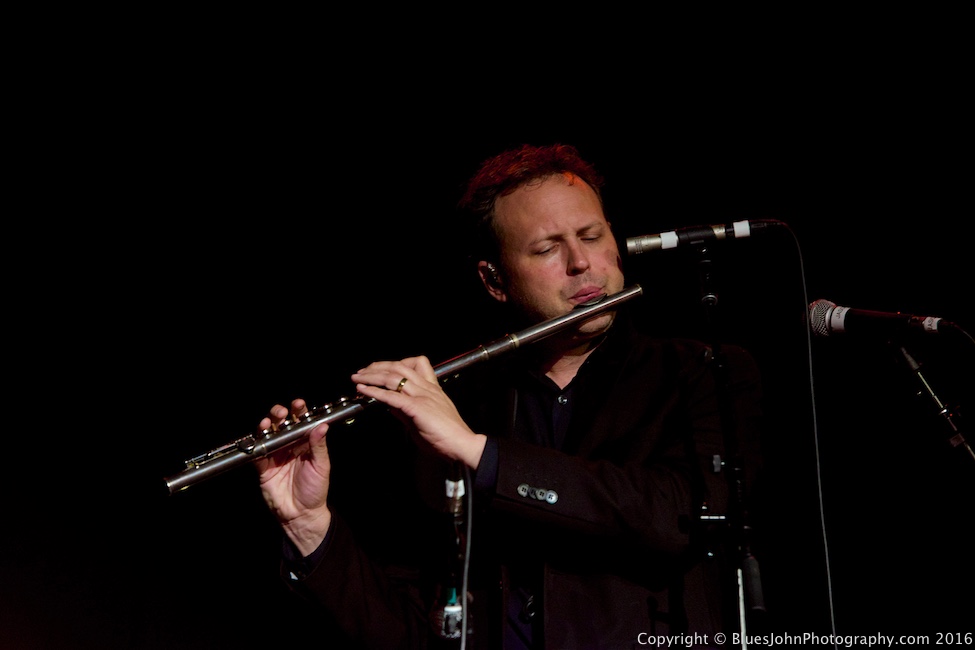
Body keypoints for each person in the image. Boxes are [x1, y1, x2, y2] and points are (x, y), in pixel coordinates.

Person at [255, 143, 765, 649]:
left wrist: (483, 455)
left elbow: (679, 517)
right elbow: (411, 631)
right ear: (495, 280)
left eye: (592, 235)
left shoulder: (702, 371)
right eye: (546, 249)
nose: (581, 263)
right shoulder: (457, 405)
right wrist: (308, 526)